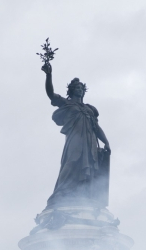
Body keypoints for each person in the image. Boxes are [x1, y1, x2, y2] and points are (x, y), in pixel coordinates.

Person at [41, 61, 111, 207]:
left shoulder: (90, 109)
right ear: (71, 90)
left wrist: (106, 142)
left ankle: (84, 193)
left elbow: (96, 128)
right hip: (75, 139)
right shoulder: (66, 103)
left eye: (81, 88)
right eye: (77, 88)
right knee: (72, 161)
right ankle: (61, 192)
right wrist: (49, 75)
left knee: (90, 165)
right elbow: (50, 94)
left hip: (90, 140)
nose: (80, 90)